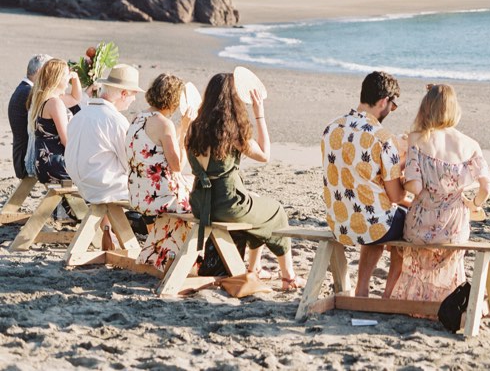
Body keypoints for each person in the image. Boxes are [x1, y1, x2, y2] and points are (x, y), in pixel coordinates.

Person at [185, 72, 299, 290]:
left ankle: (254, 268)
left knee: (255, 202)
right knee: (276, 212)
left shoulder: (193, 127)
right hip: (226, 204)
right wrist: (259, 114)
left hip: (200, 204)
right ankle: (288, 276)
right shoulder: (231, 131)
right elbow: (265, 155)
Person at [391, 84, 490, 302]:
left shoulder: (417, 139)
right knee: (452, 250)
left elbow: (415, 188)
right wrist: (474, 204)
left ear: (426, 109)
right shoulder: (471, 145)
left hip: (420, 226)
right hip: (454, 229)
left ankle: (416, 299)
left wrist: (401, 181)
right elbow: (486, 188)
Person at [321, 71, 407, 297]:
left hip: (339, 223)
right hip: (371, 224)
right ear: (383, 101)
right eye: (392, 105)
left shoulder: (331, 128)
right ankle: (388, 296)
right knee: (407, 223)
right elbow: (396, 196)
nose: (391, 111)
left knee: (376, 214)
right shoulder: (383, 138)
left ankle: (361, 289)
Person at [125, 73, 195, 270]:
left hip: (138, 193)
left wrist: (179, 129)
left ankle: (160, 255)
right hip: (162, 197)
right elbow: (178, 166)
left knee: (190, 182)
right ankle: (185, 258)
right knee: (202, 189)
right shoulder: (165, 124)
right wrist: (185, 128)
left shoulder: (138, 118)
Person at [66, 64, 143, 204]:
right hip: (104, 187)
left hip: (81, 183)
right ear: (124, 94)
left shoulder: (80, 114)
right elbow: (129, 163)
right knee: (156, 190)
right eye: (134, 94)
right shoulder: (115, 120)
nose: (134, 100)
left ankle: (108, 225)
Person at [27, 58, 83, 184]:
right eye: (66, 74)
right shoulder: (55, 102)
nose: (68, 77)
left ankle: (65, 204)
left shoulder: (47, 99)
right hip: (56, 163)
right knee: (94, 176)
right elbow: (66, 139)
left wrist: (75, 78)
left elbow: (76, 98)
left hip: (44, 163)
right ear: (57, 78)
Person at [7, 54, 52, 179]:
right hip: (26, 160)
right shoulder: (29, 93)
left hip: (21, 157)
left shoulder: (23, 89)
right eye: (49, 72)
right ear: (39, 72)